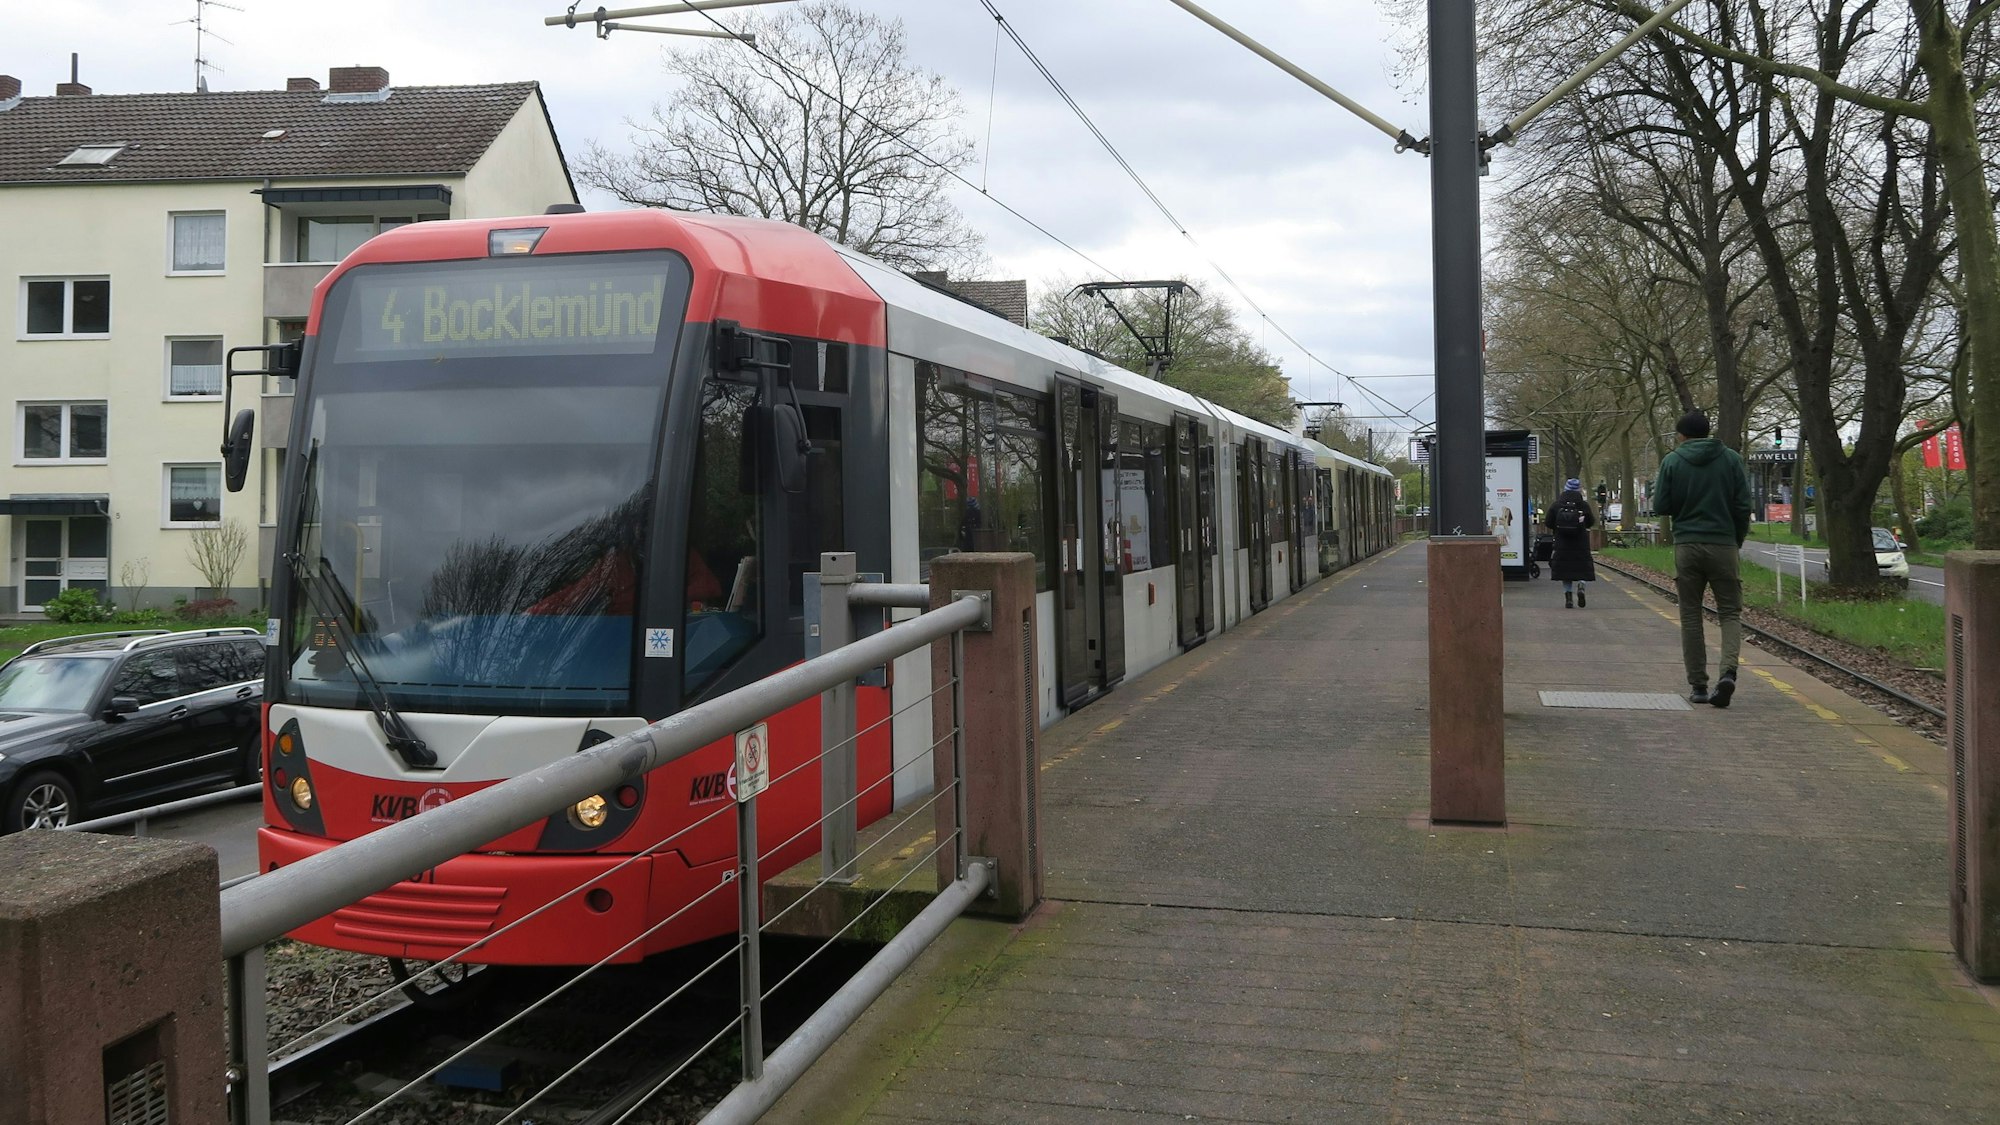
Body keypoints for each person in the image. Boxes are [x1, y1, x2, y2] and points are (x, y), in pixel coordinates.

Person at [1652, 410, 1753, 707]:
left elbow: (1661, 505)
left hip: (1687, 545)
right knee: (1730, 613)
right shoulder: (1731, 459)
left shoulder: (1672, 461)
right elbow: (1743, 504)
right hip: (1724, 544)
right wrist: (1736, 540)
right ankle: (1728, 673)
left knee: (1691, 614)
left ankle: (1698, 685)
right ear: (1708, 432)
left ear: (1680, 435)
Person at [1544, 479, 1596, 608]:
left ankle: (1568, 597)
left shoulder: (1557, 505)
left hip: (1562, 543)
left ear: (1565, 489)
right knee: (1582, 569)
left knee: (1565, 571)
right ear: (1579, 490)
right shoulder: (1583, 506)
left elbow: (1548, 522)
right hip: (1580, 544)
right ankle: (1581, 587)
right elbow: (1590, 522)